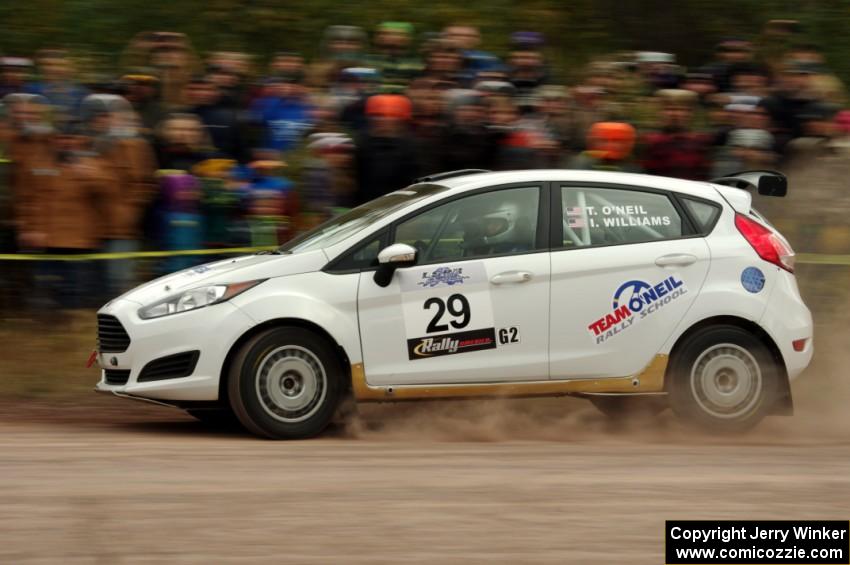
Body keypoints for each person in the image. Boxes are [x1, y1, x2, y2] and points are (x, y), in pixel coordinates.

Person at [355, 94, 419, 204]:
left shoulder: (411, 148)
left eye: (391, 116)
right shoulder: (363, 144)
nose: (384, 120)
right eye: (378, 115)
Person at [641, 89, 712, 180]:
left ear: (690, 114)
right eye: (669, 109)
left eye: (682, 110)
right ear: (659, 112)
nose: (675, 114)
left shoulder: (701, 142)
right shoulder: (649, 141)